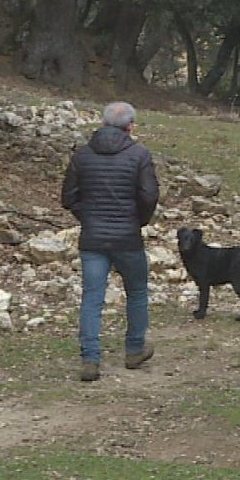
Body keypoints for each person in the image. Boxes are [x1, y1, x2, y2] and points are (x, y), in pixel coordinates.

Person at [61, 101, 160, 381]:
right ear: (131, 126)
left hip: (92, 237)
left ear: (103, 123)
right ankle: (134, 350)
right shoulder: (140, 154)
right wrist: (138, 220)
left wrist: (88, 217)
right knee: (137, 292)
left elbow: (68, 197)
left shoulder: (82, 155)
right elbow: (149, 195)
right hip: (128, 237)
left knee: (92, 297)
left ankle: (90, 360)